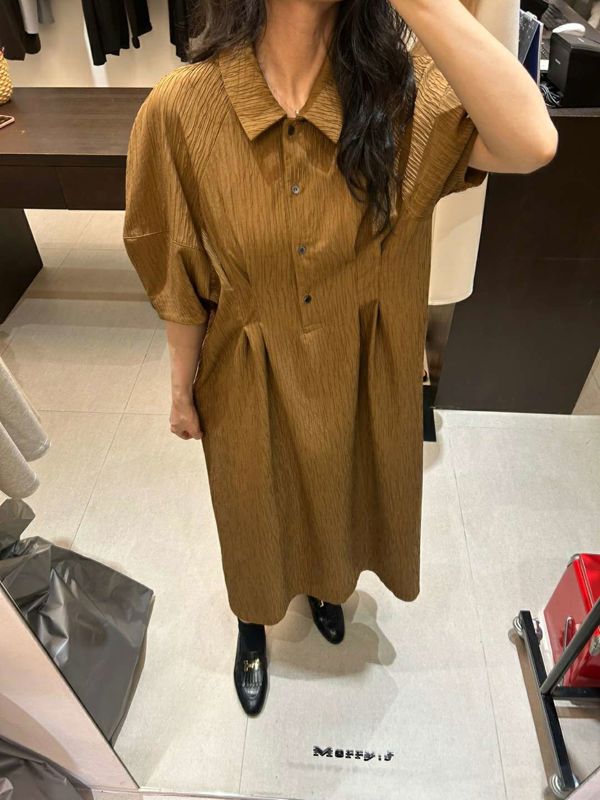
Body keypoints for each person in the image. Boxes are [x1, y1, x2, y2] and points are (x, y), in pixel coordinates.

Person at [123, 0, 558, 717]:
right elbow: (174, 271)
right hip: (246, 368)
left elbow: (532, 142)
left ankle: (328, 589)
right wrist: (179, 388)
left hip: (361, 371)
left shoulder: (400, 94)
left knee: (342, 491)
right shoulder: (182, 110)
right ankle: (253, 622)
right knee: (252, 507)